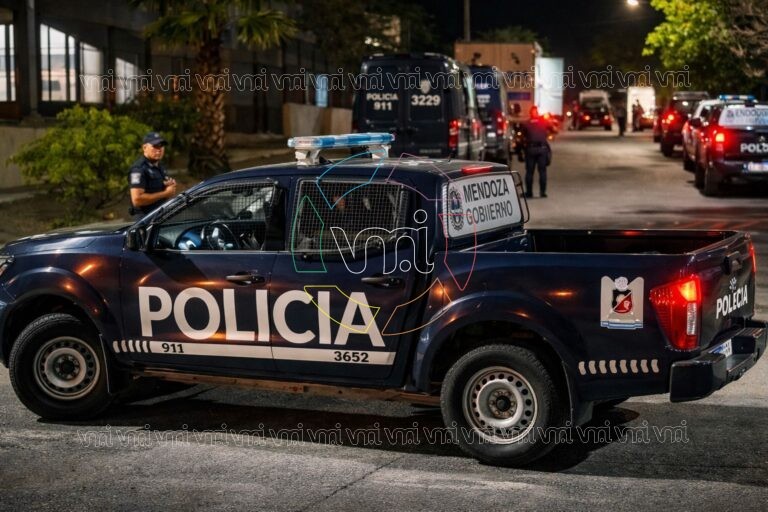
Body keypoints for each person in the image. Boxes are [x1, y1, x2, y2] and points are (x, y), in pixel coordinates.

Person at [128, 131, 176, 219]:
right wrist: (165, 193)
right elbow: (137, 200)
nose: (159, 149)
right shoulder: (138, 169)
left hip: (159, 216)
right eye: (155, 146)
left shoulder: (160, 167)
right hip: (145, 220)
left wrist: (170, 186)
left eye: (161, 145)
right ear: (144, 147)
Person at [518, 106, 552, 198]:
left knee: (529, 172)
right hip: (542, 149)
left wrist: (520, 151)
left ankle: (529, 193)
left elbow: (521, 138)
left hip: (530, 149)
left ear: (530, 114)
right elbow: (552, 130)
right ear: (537, 113)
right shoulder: (544, 122)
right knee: (542, 171)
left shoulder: (526, 124)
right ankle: (542, 192)